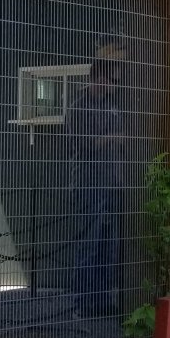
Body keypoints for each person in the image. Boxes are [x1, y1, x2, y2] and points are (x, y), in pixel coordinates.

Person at [67, 39, 127, 317]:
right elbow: (82, 143)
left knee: (108, 245)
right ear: (95, 79)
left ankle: (103, 301)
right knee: (88, 244)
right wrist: (110, 139)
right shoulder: (79, 107)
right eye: (108, 80)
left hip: (112, 183)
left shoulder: (114, 106)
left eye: (114, 82)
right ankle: (83, 302)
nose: (112, 86)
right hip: (89, 183)